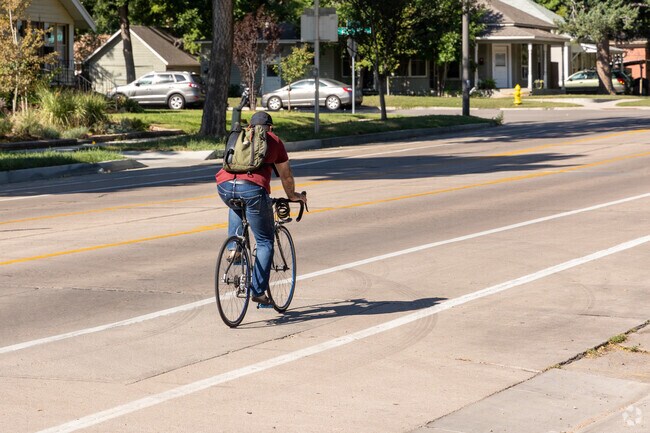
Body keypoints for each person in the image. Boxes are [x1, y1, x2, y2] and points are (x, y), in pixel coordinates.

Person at [216, 111, 306, 305]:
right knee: (265, 241)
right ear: (270, 128)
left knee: (236, 202)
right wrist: (293, 196)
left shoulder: (240, 136)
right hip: (253, 190)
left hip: (224, 186)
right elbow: (286, 175)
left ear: (250, 126)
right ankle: (257, 291)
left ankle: (235, 249)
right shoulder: (273, 140)